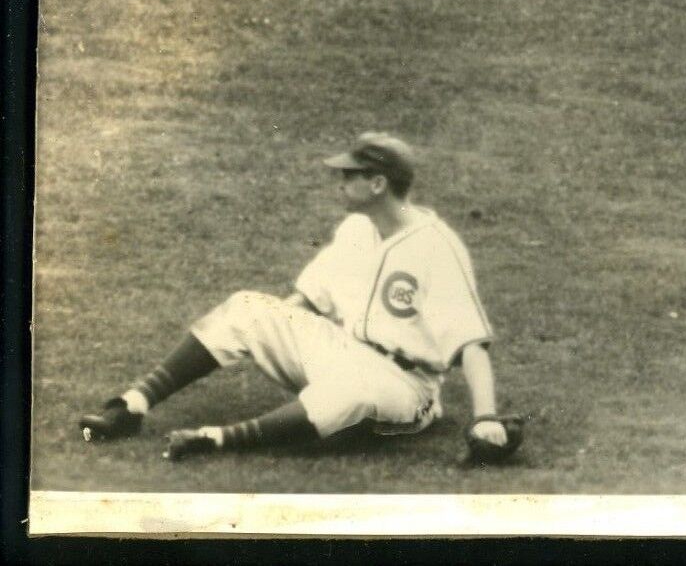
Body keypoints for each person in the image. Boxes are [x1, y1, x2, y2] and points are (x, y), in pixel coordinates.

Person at [77, 132, 515, 461]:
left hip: (404, 385)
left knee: (349, 394)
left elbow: (470, 344)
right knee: (249, 306)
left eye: (349, 175)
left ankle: (217, 438)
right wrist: (268, 331)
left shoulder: (436, 247)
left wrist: (485, 419)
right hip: (342, 350)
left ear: (378, 184)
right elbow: (305, 301)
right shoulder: (356, 229)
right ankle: (131, 406)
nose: (338, 181)